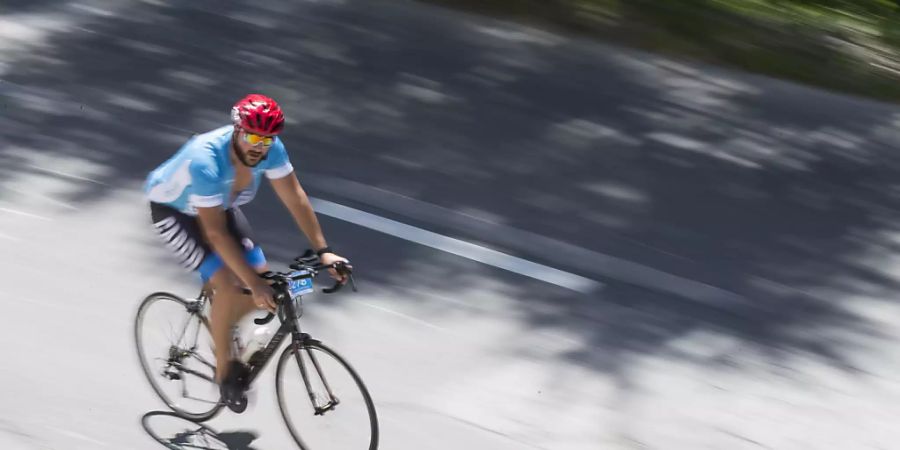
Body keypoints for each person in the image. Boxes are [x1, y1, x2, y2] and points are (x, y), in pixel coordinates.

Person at [143, 93, 348, 410]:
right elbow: (214, 233)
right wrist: (251, 284)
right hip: (176, 212)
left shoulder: (269, 150)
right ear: (237, 130)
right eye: (252, 136)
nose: (259, 145)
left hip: (219, 207)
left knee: (270, 281)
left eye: (267, 139)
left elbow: (295, 197)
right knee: (229, 282)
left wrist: (324, 252)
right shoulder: (206, 159)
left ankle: (229, 322)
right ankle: (225, 371)